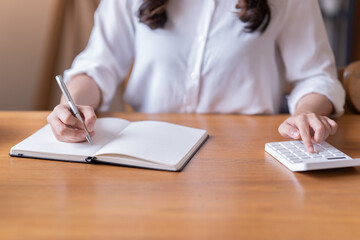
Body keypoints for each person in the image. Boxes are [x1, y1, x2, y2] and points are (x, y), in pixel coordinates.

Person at [47, 0, 345, 153]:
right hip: (148, 148)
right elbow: (98, 66)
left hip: (248, 156)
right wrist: (70, 109)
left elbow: (315, 76)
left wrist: (306, 112)